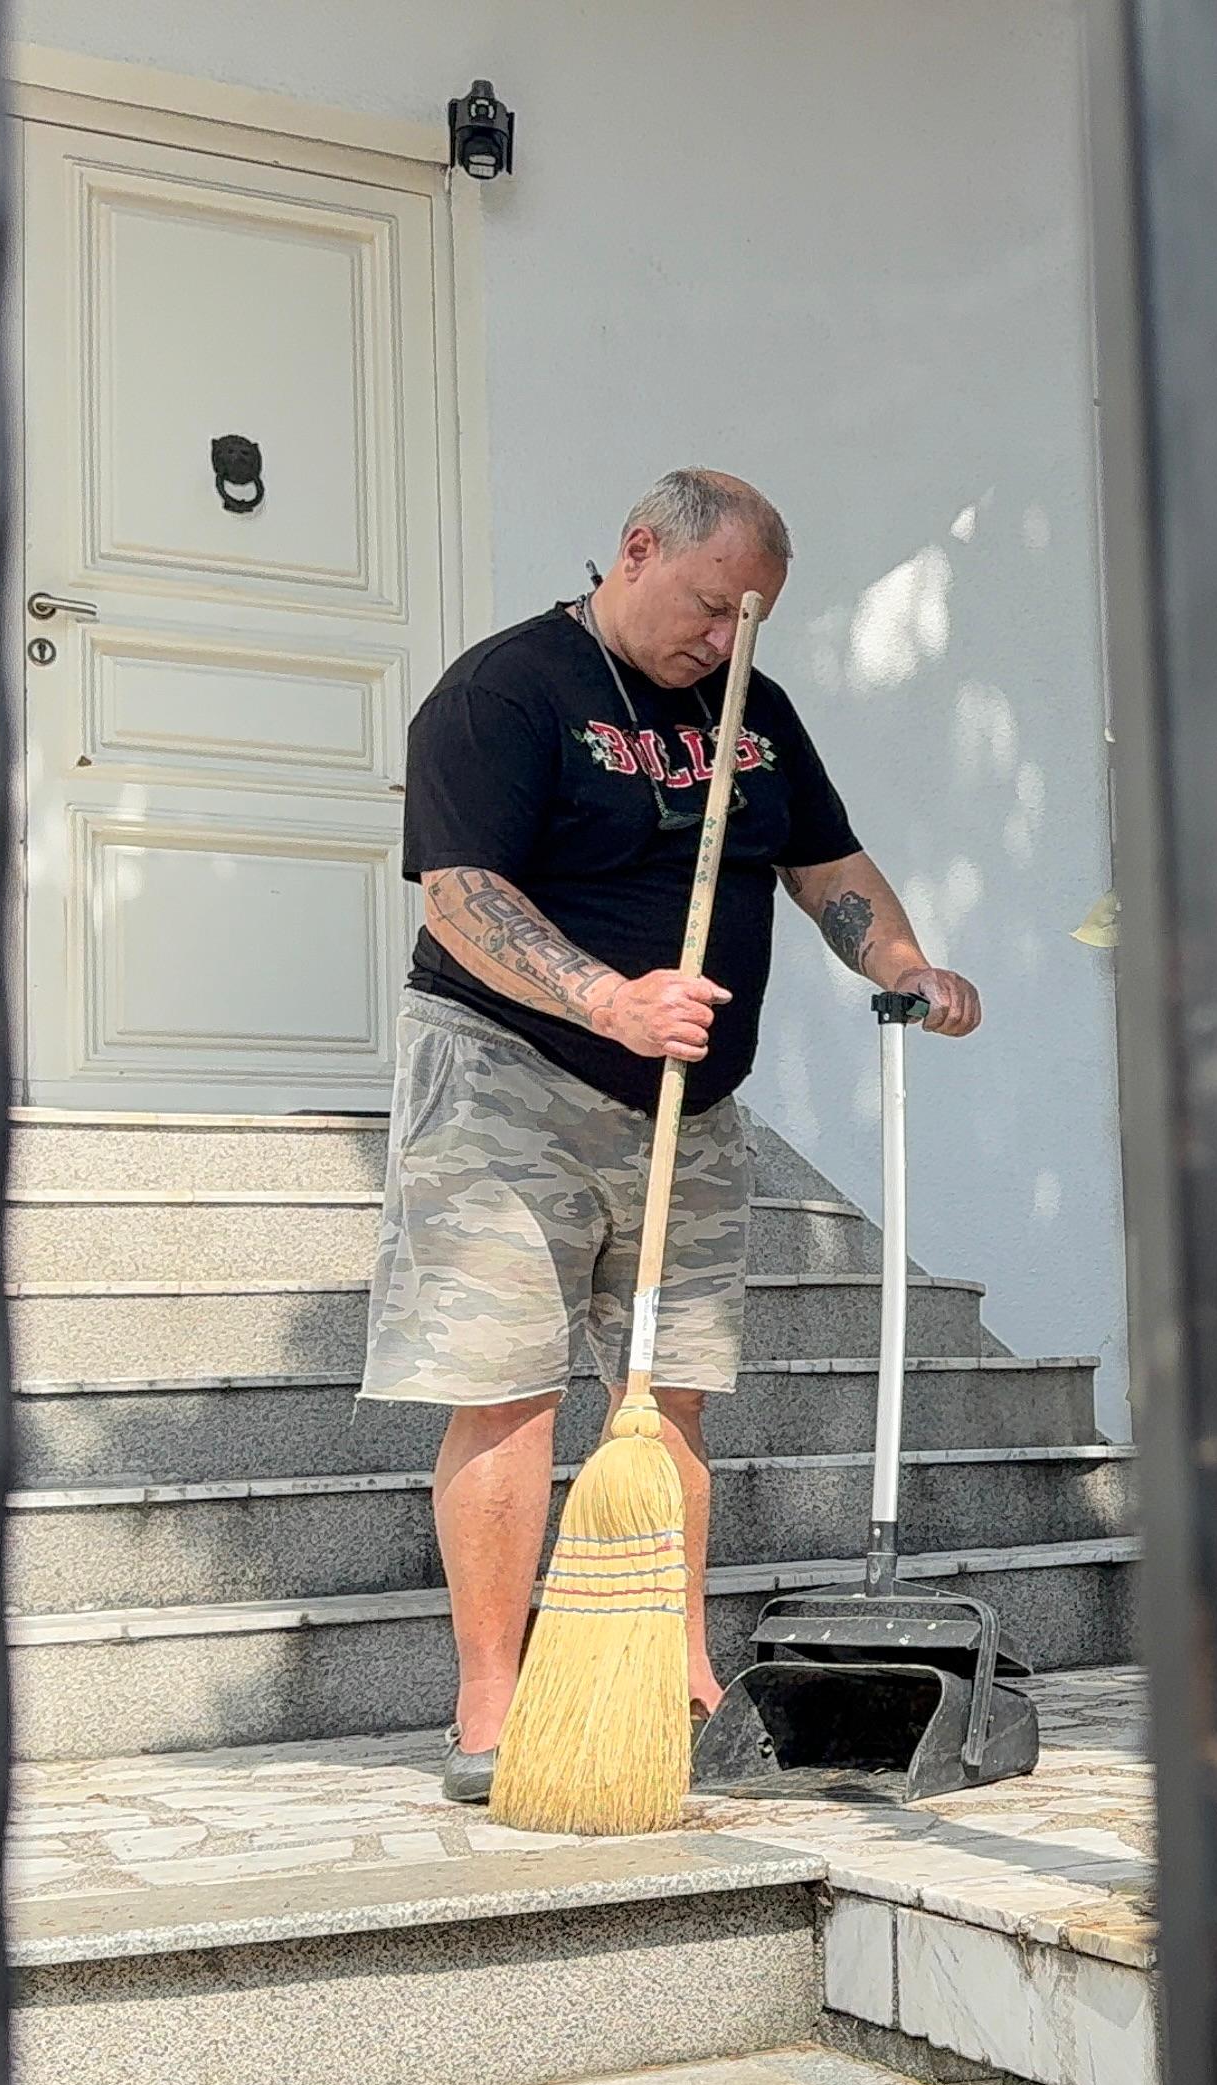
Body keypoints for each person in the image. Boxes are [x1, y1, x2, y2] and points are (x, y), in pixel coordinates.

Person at [361, 469, 982, 1804]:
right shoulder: (506, 692)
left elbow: (829, 867)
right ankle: (490, 1705)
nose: (724, 641)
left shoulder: (751, 713)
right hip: (507, 1075)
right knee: (509, 1383)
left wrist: (909, 962)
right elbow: (461, 899)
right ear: (637, 550)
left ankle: (679, 1676)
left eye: (750, 621)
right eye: (709, 610)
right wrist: (605, 996)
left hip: (687, 1105)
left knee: (672, 1397)